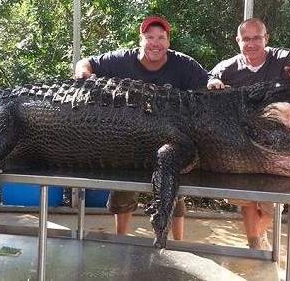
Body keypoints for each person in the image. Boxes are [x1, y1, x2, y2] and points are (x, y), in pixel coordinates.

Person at [74, 15, 208, 240]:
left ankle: (179, 243)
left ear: (168, 41)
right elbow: (85, 63)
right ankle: (121, 239)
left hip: (170, 139)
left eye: (161, 37)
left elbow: (207, 80)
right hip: (128, 140)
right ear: (141, 39)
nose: (155, 42)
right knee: (123, 192)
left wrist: (214, 83)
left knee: (174, 191)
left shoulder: (183, 64)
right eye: (149, 37)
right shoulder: (121, 59)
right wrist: (82, 72)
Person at [207, 18, 290, 249]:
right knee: (246, 200)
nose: (251, 43)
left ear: (266, 39)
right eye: (246, 39)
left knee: (273, 205)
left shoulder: (284, 58)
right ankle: (255, 245)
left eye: (256, 38)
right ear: (238, 41)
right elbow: (206, 83)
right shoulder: (227, 67)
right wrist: (213, 84)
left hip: (279, 145)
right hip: (243, 147)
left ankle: (256, 239)